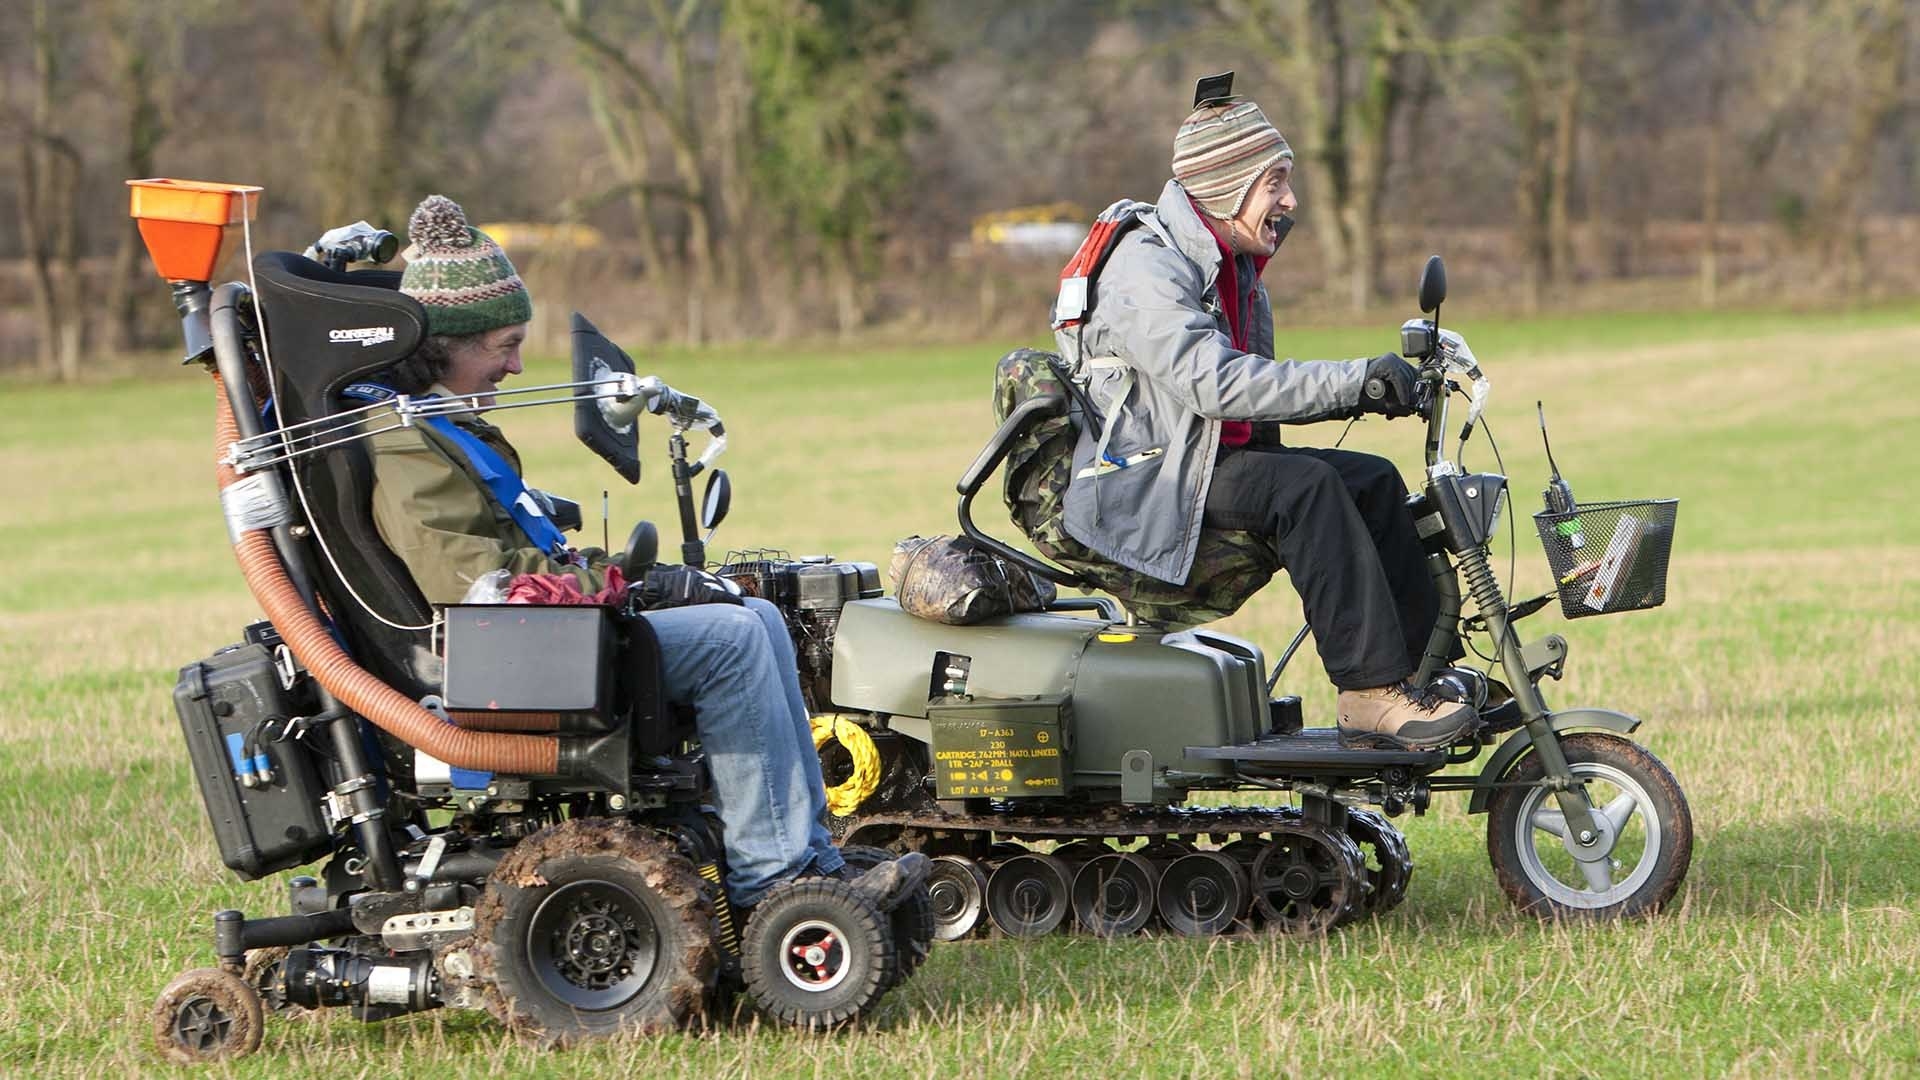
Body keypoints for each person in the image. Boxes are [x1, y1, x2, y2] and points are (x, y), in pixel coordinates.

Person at [363, 193, 919, 910]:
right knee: (730, 641)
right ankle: (773, 881)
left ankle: (811, 857)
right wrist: (618, 580)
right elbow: (470, 578)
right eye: (505, 346)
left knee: (759, 617)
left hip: (531, 641)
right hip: (503, 659)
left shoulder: (442, 427)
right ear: (448, 344)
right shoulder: (406, 441)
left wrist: (635, 579)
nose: (518, 366)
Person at [1051, 81, 1476, 751]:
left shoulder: (1232, 267)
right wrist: (1355, 383)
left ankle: (1427, 673)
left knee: (1372, 479)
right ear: (1225, 186)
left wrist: (1376, 389)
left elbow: (1251, 404)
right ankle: (1369, 693)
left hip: (1203, 463)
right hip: (1148, 481)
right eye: (1274, 182)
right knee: (1307, 489)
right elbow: (1215, 384)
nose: (1290, 200)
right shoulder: (1145, 268)